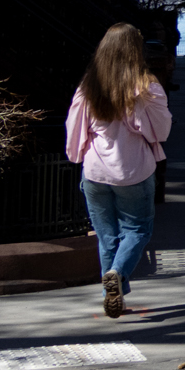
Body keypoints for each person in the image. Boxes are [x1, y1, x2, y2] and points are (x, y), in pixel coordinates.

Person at [66, 23, 173, 319]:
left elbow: (75, 127)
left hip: (95, 173)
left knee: (107, 236)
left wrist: (76, 156)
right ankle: (117, 273)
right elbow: (161, 130)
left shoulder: (89, 85)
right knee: (137, 229)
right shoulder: (146, 86)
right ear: (136, 51)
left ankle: (112, 294)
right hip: (133, 172)